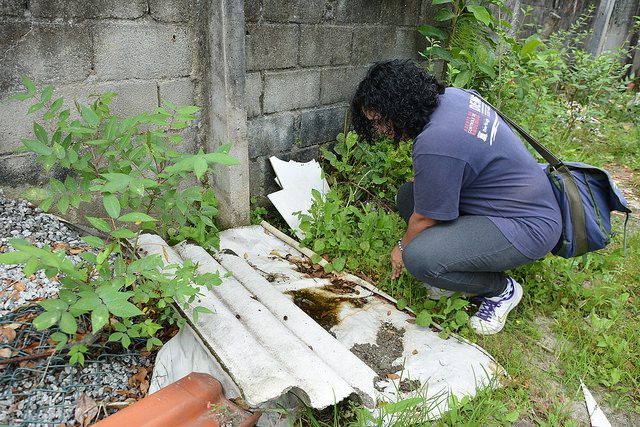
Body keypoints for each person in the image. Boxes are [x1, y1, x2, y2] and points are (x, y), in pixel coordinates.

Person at [350, 60, 562, 335]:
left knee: (419, 258)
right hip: (515, 202)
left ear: (398, 107)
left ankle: (501, 291)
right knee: (408, 196)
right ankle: (453, 267)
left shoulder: (435, 140)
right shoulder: (454, 97)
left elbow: (427, 217)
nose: (378, 129)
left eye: (379, 120)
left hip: (527, 226)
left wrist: (401, 248)